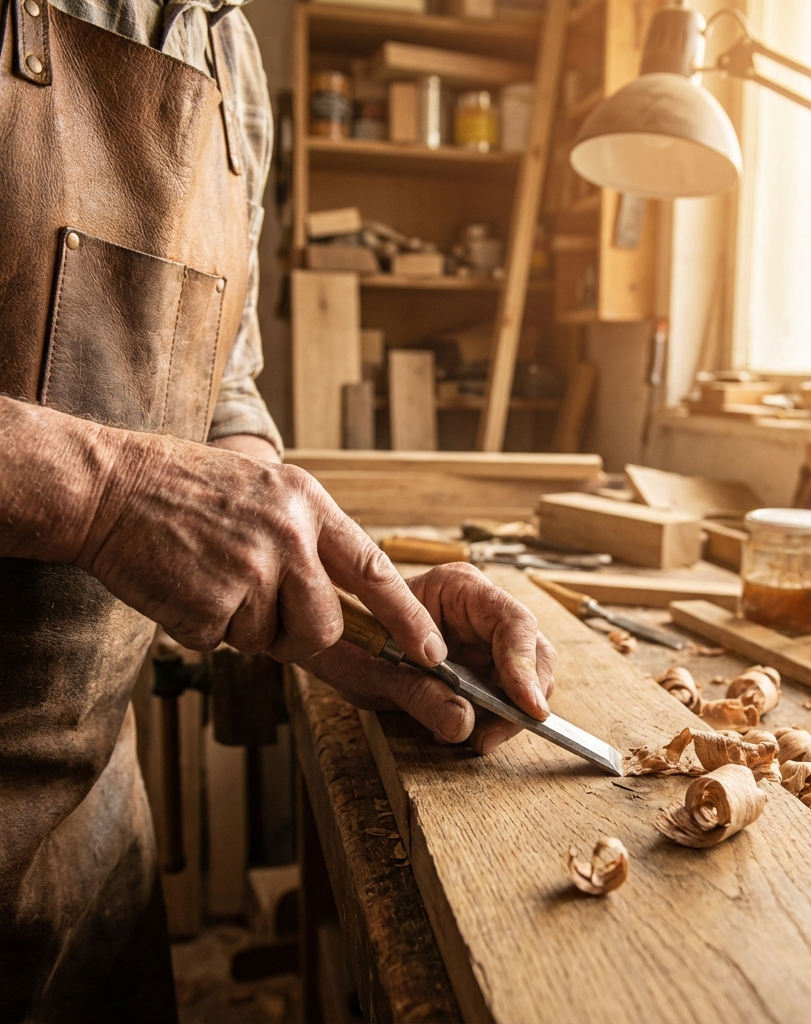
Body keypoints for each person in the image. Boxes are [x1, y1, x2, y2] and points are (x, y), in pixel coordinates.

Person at [0, 0, 554, 1019]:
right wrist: (106, 490)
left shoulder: (229, 53)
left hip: (85, 830)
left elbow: (222, 395)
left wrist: (351, 603)